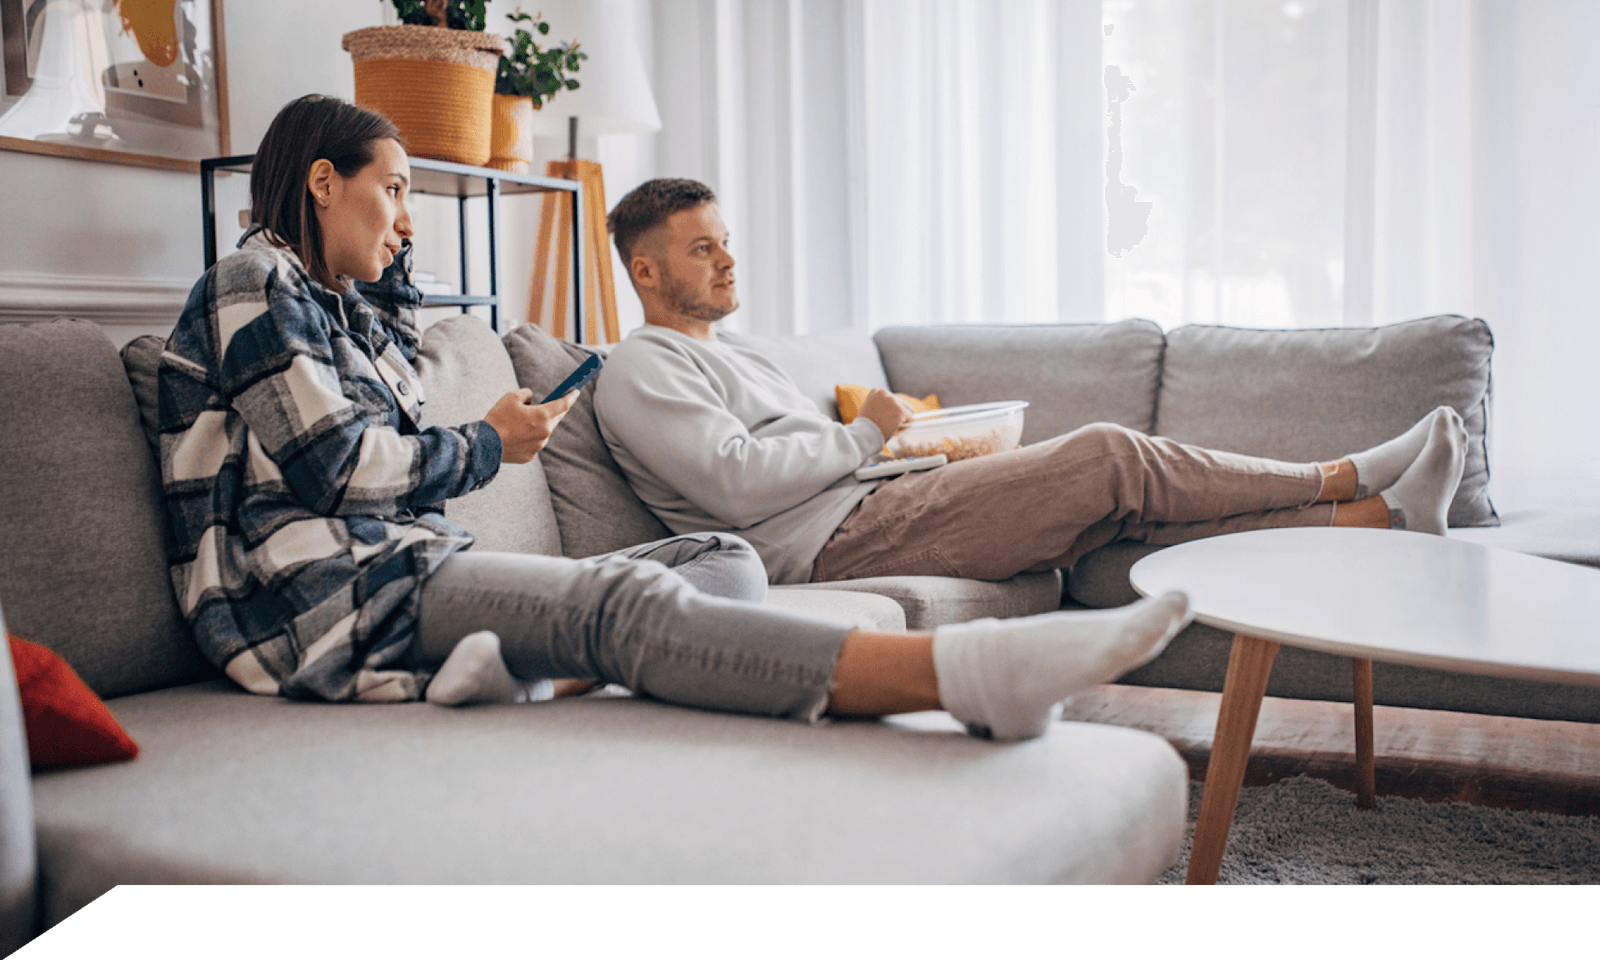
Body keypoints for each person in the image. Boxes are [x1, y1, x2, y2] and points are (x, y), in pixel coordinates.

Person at [154, 93, 1196, 743]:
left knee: (717, 560)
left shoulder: (346, 312)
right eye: (395, 191)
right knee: (619, 604)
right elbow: (337, 465)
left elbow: (388, 442)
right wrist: (485, 444)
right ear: (322, 182)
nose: (408, 218)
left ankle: (520, 670)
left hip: (409, 570)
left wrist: (415, 342)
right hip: (321, 596)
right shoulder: (251, 280)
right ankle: (960, 678)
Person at [592, 178, 1469, 590]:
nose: (728, 259)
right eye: (702, 248)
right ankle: (1344, 475)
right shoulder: (641, 366)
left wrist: (902, 452)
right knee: (1108, 457)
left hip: (874, 502)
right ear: (644, 270)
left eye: (727, 240)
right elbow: (732, 481)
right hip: (829, 544)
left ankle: (1382, 519)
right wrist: (869, 434)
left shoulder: (743, 352)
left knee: (1123, 526)